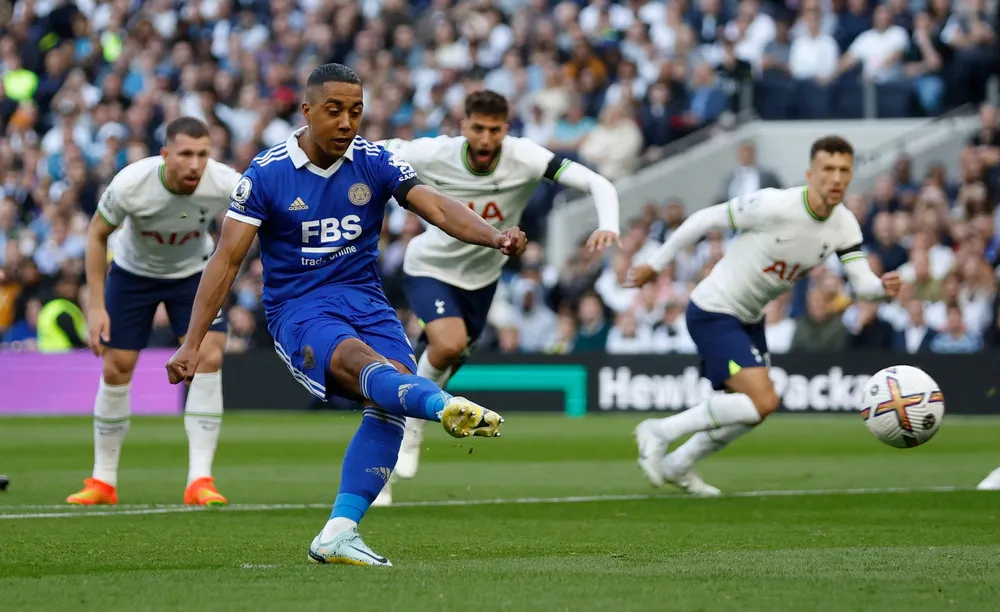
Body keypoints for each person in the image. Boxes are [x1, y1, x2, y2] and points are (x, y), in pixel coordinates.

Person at [165, 64, 523, 567]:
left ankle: (339, 531)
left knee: (390, 402)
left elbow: (439, 208)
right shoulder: (267, 173)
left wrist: (496, 236)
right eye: (334, 111)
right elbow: (225, 261)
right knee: (366, 365)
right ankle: (442, 404)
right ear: (307, 111)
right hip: (301, 309)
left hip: (368, 302)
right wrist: (191, 341)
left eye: (356, 111)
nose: (346, 122)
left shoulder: (375, 161)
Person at [377, 90, 620, 502]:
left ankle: (395, 431)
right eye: (478, 129)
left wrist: (608, 223)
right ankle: (411, 429)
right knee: (447, 344)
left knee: (446, 359)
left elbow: (597, 181)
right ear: (463, 126)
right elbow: (371, 152)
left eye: (494, 130)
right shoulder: (433, 152)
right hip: (430, 267)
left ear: (506, 129)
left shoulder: (525, 157)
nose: (486, 138)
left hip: (484, 281)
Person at [625, 135, 901, 495]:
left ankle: (679, 464)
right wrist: (655, 264)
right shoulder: (775, 204)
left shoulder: (844, 225)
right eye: (828, 169)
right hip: (713, 309)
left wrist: (882, 288)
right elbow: (705, 219)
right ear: (810, 173)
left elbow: (863, 283)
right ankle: (659, 431)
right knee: (764, 400)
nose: (836, 178)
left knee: (755, 410)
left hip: (749, 319)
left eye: (844, 170)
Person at [66, 117, 240, 507]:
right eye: (186, 154)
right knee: (117, 366)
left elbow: (262, 216)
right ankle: (103, 481)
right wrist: (96, 306)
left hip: (193, 274)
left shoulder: (225, 181)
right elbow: (96, 234)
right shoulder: (131, 183)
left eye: (203, 154)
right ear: (165, 155)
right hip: (132, 274)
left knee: (209, 356)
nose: (195, 164)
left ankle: (200, 481)